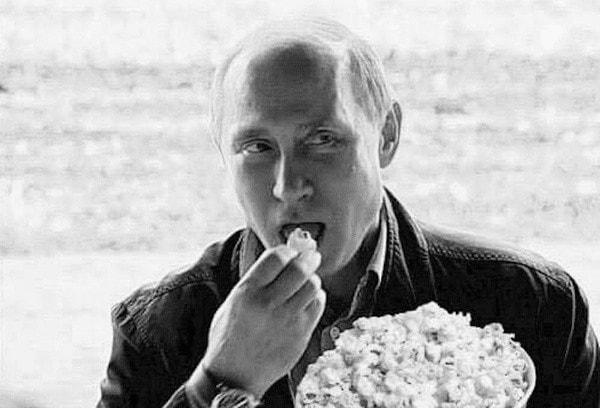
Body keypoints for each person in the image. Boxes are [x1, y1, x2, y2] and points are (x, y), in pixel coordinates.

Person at [97, 18, 599, 408]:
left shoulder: (531, 306)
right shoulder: (156, 332)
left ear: (386, 136)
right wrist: (219, 383)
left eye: (322, 139)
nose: (288, 185)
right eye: (257, 147)